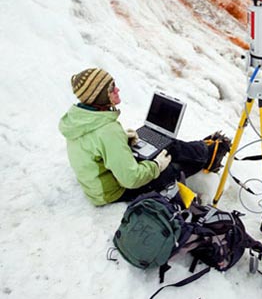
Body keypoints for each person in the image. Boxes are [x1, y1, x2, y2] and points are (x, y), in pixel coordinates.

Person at [59, 68, 230, 206]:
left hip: (95, 184)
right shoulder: (107, 131)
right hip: (111, 192)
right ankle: (208, 152)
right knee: (171, 165)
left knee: (168, 146)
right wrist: (156, 165)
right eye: (111, 88)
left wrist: (123, 140)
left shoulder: (80, 119)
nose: (117, 89)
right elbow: (131, 180)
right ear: (99, 96)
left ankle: (205, 149)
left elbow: (94, 144)